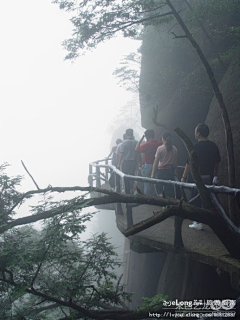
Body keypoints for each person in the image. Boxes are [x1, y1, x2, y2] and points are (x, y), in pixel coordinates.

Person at [181, 123, 221, 230]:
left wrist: (183, 177)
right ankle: (212, 221)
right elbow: (217, 162)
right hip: (209, 176)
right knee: (209, 199)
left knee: (195, 199)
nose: (195, 133)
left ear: (198, 133)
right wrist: (215, 175)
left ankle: (197, 221)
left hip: (196, 178)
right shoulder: (213, 145)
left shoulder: (195, 147)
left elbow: (189, 164)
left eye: (195, 131)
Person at [151, 131, 178, 198]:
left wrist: (153, 173)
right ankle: (168, 204)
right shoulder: (174, 148)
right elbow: (176, 162)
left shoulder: (160, 148)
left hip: (161, 171)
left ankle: (162, 203)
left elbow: (156, 161)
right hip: (171, 171)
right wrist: (176, 171)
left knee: (159, 189)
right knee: (168, 189)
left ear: (163, 138)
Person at [135, 129, 161, 195]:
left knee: (147, 183)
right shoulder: (159, 143)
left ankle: (147, 198)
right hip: (158, 165)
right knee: (157, 183)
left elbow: (137, 149)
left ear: (146, 136)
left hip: (148, 165)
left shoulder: (146, 145)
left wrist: (141, 139)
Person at [117, 129, 138, 194]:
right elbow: (138, 153)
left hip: (125, 162)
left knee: (125, 177)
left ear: (126, 134)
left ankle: (127, 192)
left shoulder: (124, 143)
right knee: (132, 176)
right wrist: (139, 162)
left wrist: (119, 163)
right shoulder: (136, 142)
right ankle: (132, 190)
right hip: (133, 162)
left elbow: (121, 153)